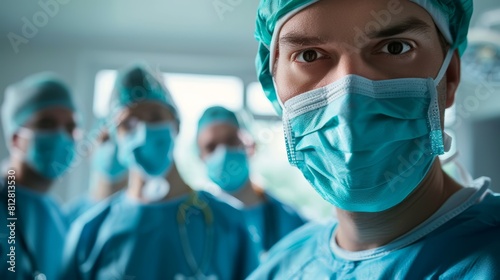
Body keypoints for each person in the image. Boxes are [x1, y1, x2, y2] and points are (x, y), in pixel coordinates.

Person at [249, 0, 500, 278]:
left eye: (396, 47)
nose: (349, 100)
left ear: (450, 78)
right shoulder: (279, 268)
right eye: (308, 55)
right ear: (273, 86)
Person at [60, 66, 258, 279]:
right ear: (115, 135)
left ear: (176, 125)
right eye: (129, 122)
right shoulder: (91, 231)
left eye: (155, 117)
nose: (143, 131)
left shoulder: (228, 221)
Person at [197, 106, 306, 260]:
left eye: (231, 141)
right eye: (211, 147)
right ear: (200, 156)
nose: (222, 152)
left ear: (251, 146)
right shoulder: (191, 220)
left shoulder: (289, 221)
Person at [0, 73, 79, 279]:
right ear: (16, 139)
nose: (62, 136)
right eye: (46, 124)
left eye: (70, 127)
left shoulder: (57, 216)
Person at [64, 125, 128, 224]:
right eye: (105, 139)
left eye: (121, 141)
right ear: (88, 150)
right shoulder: (70, 216)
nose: (113, 147)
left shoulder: (141, 215)